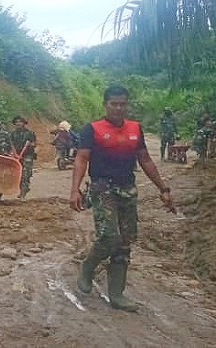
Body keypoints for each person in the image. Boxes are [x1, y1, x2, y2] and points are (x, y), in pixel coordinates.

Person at [70, 85, 175, 312]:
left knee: (125, 242)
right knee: (109, 236)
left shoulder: (135, 129)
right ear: (105, 104)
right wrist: (74, 190)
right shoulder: (92, 129)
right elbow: (81, 158)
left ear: (127, 104)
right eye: (113, 104)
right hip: (101, 188)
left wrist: (163, 188)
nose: (118, 108)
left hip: (128, 189)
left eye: (122, 104)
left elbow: (145, 160)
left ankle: (117, 294)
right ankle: (88, 267)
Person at [10, 116, 36, 200]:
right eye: (17, 122)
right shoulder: (13, 134)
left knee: (25, 174)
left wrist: (30, 145)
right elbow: (11, 145)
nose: (18, 123)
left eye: (20, 122)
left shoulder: (29, 133)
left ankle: (23, 193)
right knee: (18, 175)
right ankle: (24, 189)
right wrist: (15, 154)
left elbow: (34, 144)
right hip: (17, 156)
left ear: (24, 123)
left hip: (28, 156)